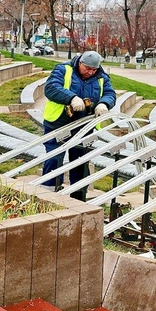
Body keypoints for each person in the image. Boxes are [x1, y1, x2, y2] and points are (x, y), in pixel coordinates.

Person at [41, 50, 116, 201]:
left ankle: (78, 198)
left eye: (93, 70)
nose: (90, 72)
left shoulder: (101, 77)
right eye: (87, 69)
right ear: (80, 63)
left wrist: (104, 103)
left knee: (81, 162)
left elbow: (110, 94)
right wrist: (72, 98)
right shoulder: (63, 70)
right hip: (58, 124)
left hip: (84, 127)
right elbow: (51, 88)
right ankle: (49, 195)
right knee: (54, 158)